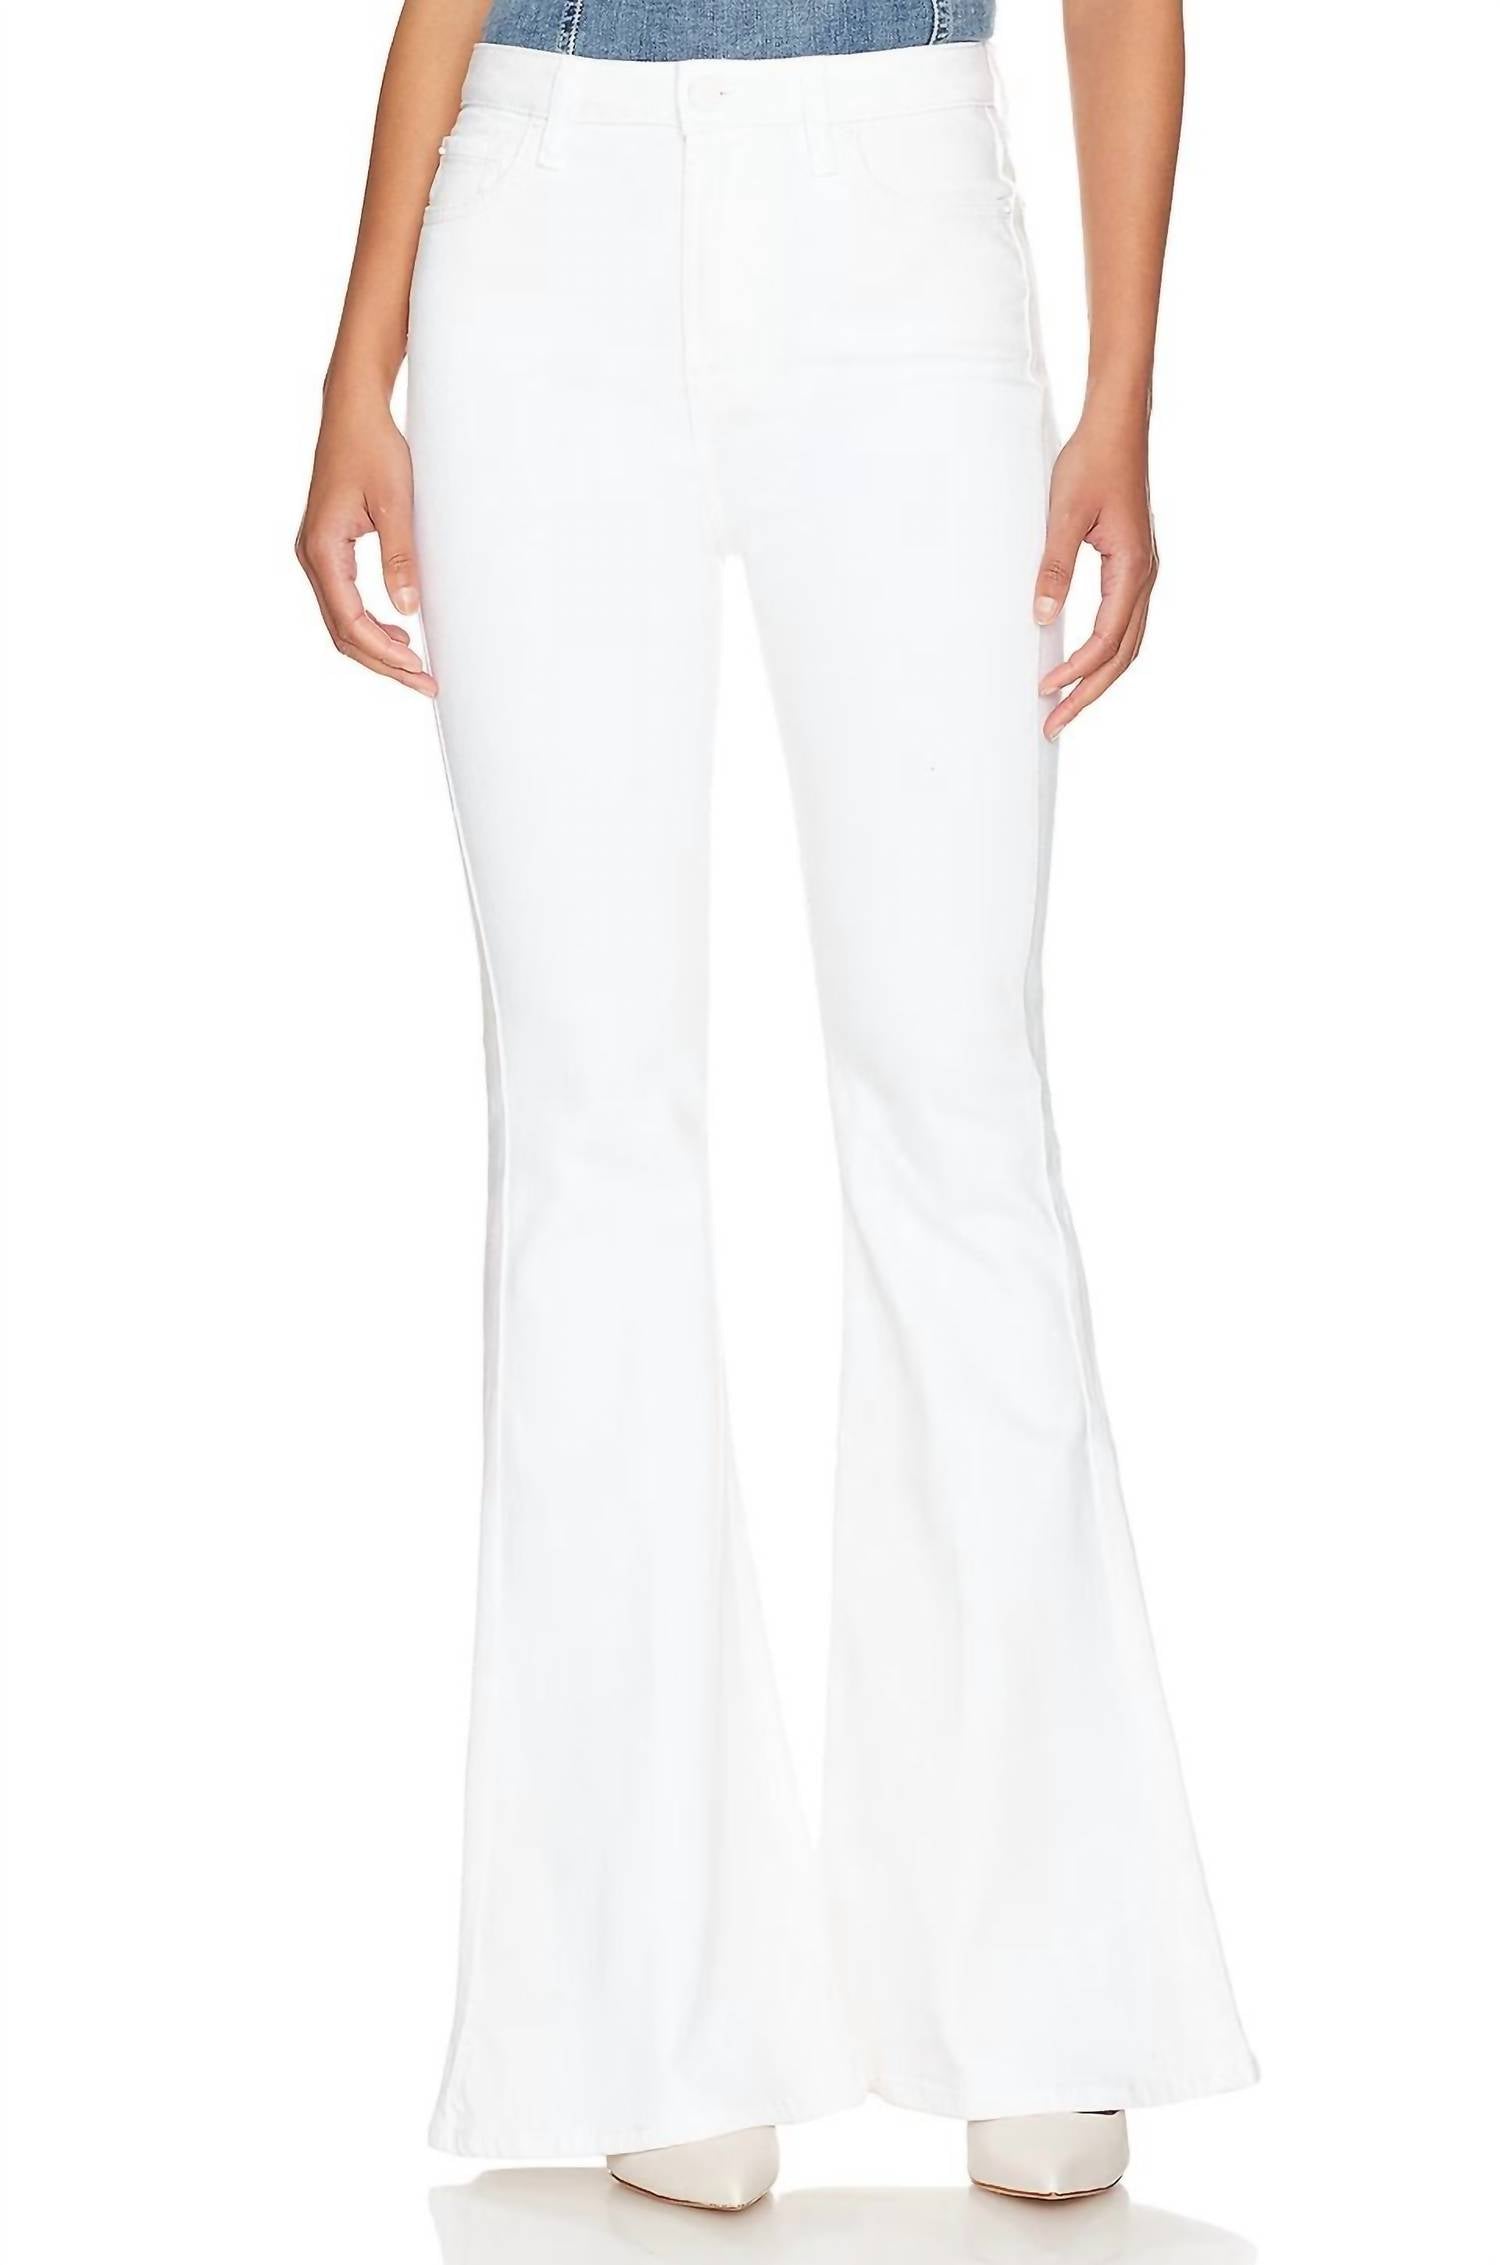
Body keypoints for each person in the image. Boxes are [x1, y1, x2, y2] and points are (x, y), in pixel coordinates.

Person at [297, 0, 1256, 2213]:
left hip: (897, 209)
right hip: (536, 210)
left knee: (957, 1107)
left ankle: (1043, 1984)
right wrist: (360, 360)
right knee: (589, 1127)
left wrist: (1122, 387)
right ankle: (653, 2001)